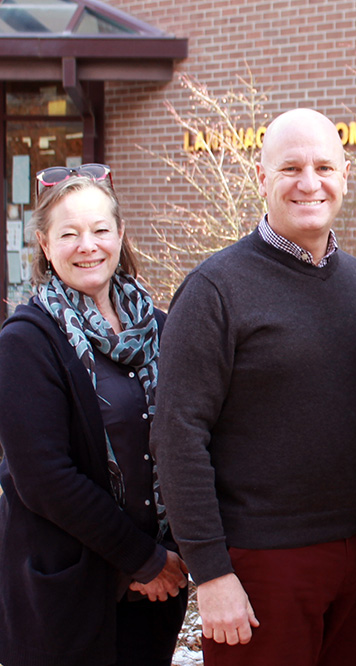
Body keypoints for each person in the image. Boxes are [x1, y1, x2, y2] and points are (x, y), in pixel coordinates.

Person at [149, 108, 356, 666]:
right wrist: (212, 572)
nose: (309, 183)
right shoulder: (215, 289)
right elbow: (177, 436)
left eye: (323, 166)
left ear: (344, 175)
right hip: (261, 564)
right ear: (262, 179)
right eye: (290, 167)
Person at [0, 168, 188, 666]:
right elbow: (44, 480)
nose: (88, 245)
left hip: (155, 596)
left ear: (120, 234)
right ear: (43, 243)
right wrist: (145, 560)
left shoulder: (161, 329)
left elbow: (188, 441)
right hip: (71, 597)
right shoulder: (25, 343)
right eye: (69, 233)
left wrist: (176, 554)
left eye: (101, 230)